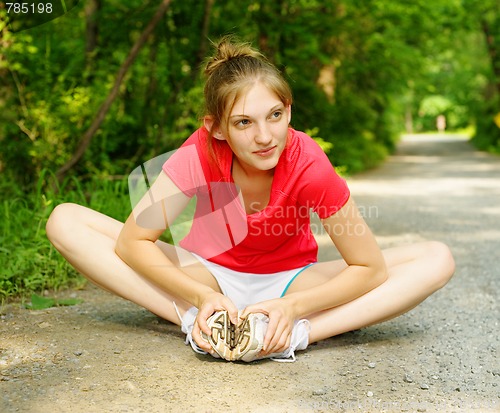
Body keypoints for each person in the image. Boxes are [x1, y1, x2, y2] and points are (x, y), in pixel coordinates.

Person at [46, 37, 455, 362]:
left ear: (289, 110)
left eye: (274, 115)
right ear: (217, 128)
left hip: (289, 280)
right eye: (244, 122)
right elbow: (133, 241)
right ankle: (198, 323)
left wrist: (295, 308)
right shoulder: (198, 152)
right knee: (64, 220)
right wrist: (200, 297)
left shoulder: (309, 163)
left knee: (438, 258)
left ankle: (293, 335)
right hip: (207, 276)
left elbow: (369, 267)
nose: (264, 136)